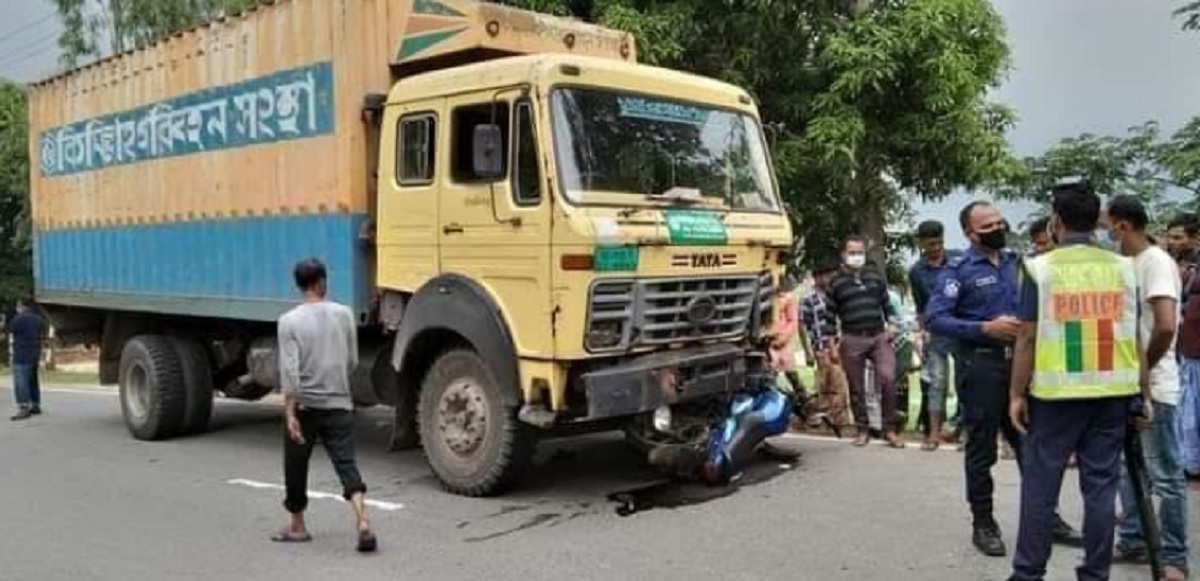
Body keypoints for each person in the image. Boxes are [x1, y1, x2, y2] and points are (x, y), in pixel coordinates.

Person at [927, 200, 1081, 558]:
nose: (998, 228)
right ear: (970, 234)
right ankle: (984, 524)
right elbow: (935, 318)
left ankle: (1047, 518)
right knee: (982, 452)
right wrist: (984, 328)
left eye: (999, 222)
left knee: (1035, 449)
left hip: (1025, 368)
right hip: (982, 368)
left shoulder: (1020, 263)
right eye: (988, 226)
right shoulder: (958, 270)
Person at [1006, 183, 1144, 580]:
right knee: (1101, 488)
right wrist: (1144, 394)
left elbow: (1027, 336)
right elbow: (1134, 334)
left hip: (1055, 396)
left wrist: (1016, 392)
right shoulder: (1123, 267)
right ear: (1097, 221)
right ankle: (1095, 575)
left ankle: (1029, 574)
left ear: (1056, 221)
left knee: (1041, 486)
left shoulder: (1039, 267)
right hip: (1112, 393)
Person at [1105, 196, 1189, 580]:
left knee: (1166, 474)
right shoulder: (1128, 264)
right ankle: (1135, 539)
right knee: (1129, 468)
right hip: (1132, 383)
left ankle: (1174, 557)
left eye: (1110, 225)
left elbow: (1166, 325)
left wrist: (1144, 372)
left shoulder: (1155, 262)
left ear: (1123, 226)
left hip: (1155, 384)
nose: (1108, 233)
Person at [273, 258, 377, 552]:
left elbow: (290, 373)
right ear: (322, 282)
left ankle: (298, 526)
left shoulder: (289, 321)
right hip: (339, 402)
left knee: (296, 465)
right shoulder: (344, 314)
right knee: (346, 464)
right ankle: (363, 521)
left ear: (299, 285)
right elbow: (352, 361)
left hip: (306, 405)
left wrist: (290, 412)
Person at [827, 235, 903, 448]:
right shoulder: (836, 282)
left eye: (859, 252)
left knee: (888, 379)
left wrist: (894, 325)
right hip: (852, 338)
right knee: (857, 387)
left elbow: (888, 305)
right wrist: (831, 345)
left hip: (879, 336)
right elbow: (829, 317)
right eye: (852, 253)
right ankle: (863, 430)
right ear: (843, 255)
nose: (856, 256)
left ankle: (889, 430)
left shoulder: (875, 276)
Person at [908, 220, 964, 450]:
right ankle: (933, 434)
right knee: (937, 383)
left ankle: (964, 432)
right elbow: (921, 307)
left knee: (965, 383)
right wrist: (923, 333)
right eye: (930, 244)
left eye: (939, 242)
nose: (936, 248)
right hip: (937, 333)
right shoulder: (916, 272)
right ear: (921, 244)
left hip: (963, 330)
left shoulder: (960, 260)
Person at [802, 260, 850, 430]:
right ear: (818, 277)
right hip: (820, 346)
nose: (831, 278)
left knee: (840, 383)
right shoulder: (809, 299)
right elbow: (804, 327)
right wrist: (808, 350)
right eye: (828, 275)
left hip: (838, 344)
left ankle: (840, 419)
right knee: (825, 383)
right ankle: (825, 418)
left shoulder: (837, 295)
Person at [769, 276, 805, 397]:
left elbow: (793, 321)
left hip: (783, 341)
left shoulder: (789, 299)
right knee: (770, 374)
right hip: (769, 342)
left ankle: (803, 397)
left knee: (791, 372)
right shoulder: (767, 299)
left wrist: (782, 338)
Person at [8, 299, 43, 421]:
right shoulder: (38, 319)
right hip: (35, 353)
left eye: (18, 305)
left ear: (22, 306)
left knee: (21, 381)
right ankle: (35, 405)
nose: (17, 307)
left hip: (21, 354)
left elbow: (11, 330)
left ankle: (23, 408)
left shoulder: (18, 318)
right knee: (32, 380)